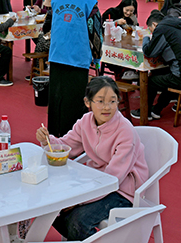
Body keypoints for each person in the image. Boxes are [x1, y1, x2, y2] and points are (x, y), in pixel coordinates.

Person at [35, 76, 150, 241]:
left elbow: (113, 178)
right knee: (50, 208)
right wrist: (47, 140)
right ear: (88, 102)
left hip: (121, 190)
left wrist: (78, 201)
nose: (107, 107)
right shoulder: (85, 122)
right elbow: (66, 146)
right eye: (100, 101)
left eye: (112, 101)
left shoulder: (125, 132)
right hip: (94, 181)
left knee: (78, 221)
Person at [43, 0, 101, 136]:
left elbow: (48, 26)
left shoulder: (56, 1)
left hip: (56, 55)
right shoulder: (90, 3)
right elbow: (95, 34)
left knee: (56, 99)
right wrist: (97, 58)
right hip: (78, 57)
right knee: (75, 101)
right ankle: (73, 139)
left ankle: (54, 136)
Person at [138, 9, 181, 120]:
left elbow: (149, 52)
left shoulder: (162, 28)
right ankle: (156, 110)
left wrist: (146, 38)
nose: (153, 34)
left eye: (151, 30)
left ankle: (145, 112)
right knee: (168, 77)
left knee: (151, 81)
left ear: (155, 25)